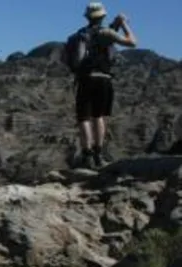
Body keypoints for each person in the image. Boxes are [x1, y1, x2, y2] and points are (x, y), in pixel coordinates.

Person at [73, 2, 138, 168]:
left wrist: (115, 25)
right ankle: (98, 154)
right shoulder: (106, 33)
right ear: (102, 16)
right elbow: (132, 42)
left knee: (83, 118)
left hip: (85, 79)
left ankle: (87, 155)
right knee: (98, 116)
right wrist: (123, 24)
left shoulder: (81, 34)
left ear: (87, 17)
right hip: (103, 79)